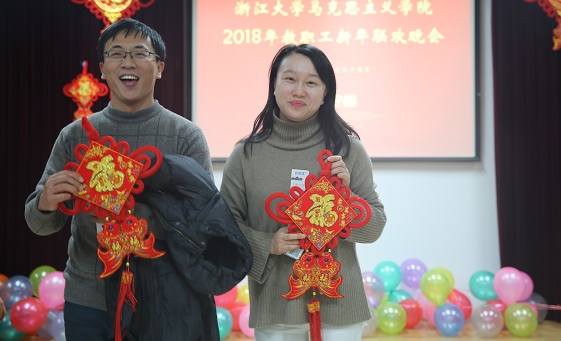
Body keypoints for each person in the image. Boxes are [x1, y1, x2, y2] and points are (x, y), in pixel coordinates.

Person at [24, 18, 217, 341]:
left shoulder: (185, 136)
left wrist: (150, 213)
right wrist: (46, 202)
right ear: (102, 69)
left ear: (160, 68)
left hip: (163, 296)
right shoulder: (74, 136)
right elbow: (39, 224)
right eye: (116, 54)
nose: (128, 62)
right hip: (89, 296)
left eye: (140, 53)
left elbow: (206, 223)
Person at [220, 43, 387, 341]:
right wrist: (267, 244)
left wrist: (346, 201)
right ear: (273, 86)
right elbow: (224, 228)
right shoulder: (245, 154)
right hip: (275, 304)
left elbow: (375, 228)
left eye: (311, 83)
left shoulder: (348, 150)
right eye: (290, 79)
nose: (299, 91)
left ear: (325, 93)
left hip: (339, 303)